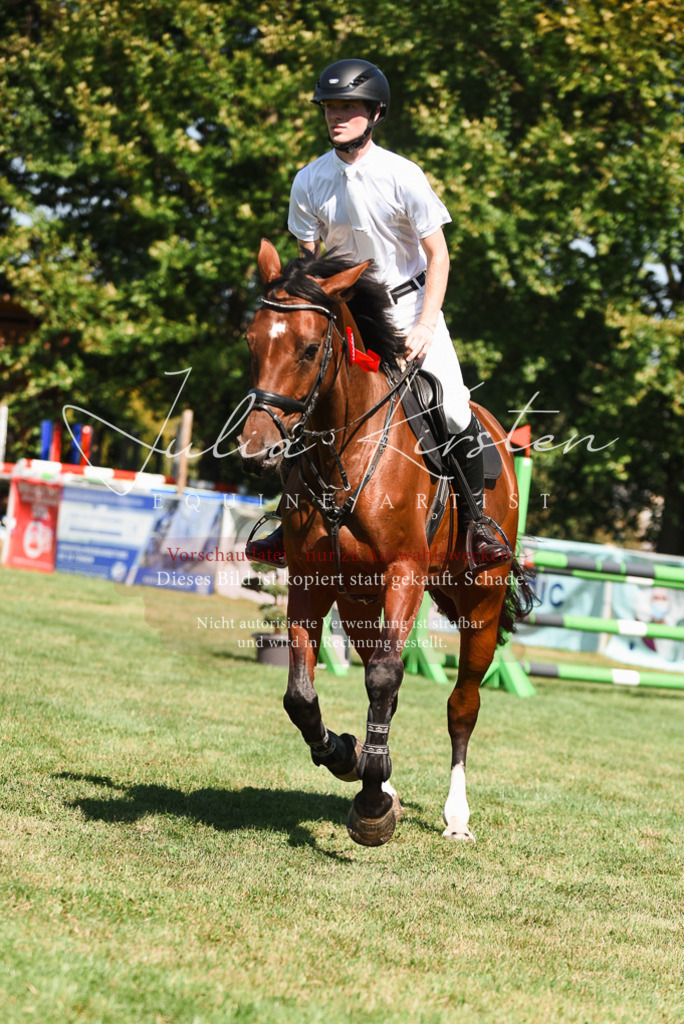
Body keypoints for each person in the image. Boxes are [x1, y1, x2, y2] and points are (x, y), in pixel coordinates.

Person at [247, 58, 509, 571]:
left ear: (374, 113)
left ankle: (477, 526)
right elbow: (309, 264)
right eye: (330, 107)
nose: (337, 116)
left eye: (348, 107)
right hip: (349, 311)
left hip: (411, 305)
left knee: (453, 406)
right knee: (305, 403)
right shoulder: (309, 180)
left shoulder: (402, 174)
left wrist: (427, 324)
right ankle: (289, 520)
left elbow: (439, 256)